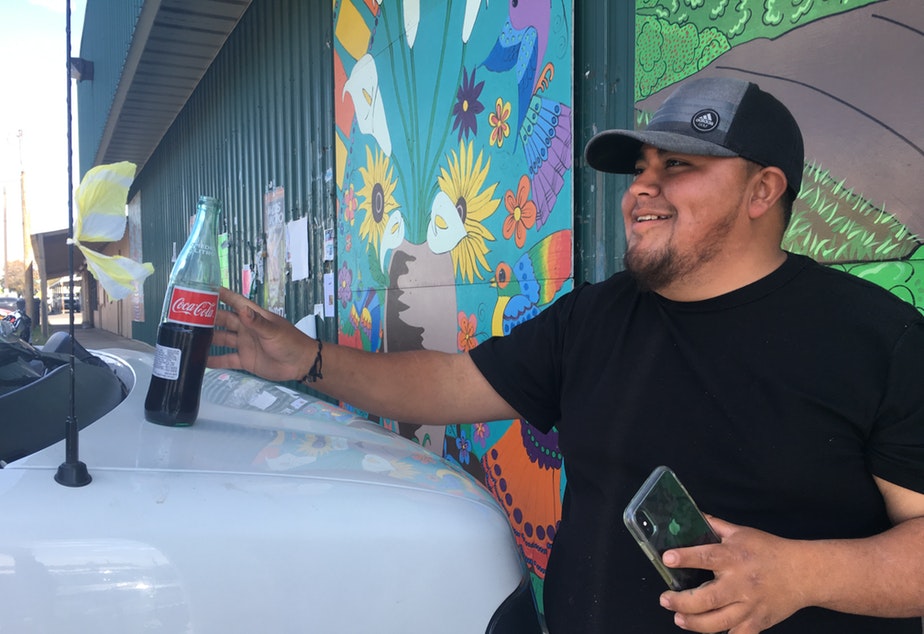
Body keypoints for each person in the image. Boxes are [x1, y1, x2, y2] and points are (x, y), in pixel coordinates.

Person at [208, 76, 924, 633]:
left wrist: (800, 575)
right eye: (641, 167)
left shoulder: (878, 338)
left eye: (679, 165)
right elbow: (454, 383)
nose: (642, 188)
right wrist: (306, 361)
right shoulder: (595, 316)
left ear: (764, 190)